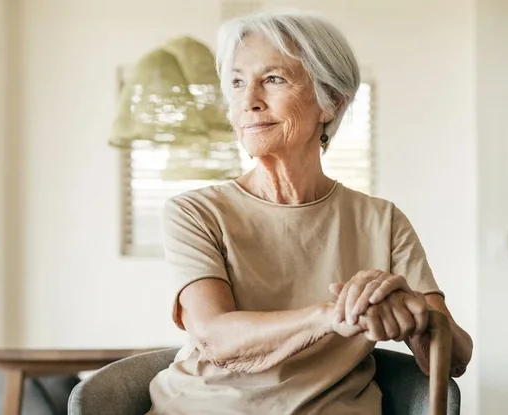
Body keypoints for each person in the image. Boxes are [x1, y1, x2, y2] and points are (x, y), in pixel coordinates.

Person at [145, 10, 473, 415]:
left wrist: (413, 312)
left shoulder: (382, 221)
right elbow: (216, 337)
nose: (247, 102)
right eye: (237, 82)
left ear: (330, 101)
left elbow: (454, 359)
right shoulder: (195, 212)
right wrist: (333, 316)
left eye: (273, 79)